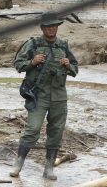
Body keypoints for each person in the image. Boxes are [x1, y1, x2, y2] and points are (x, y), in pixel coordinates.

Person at [10, 12, 78, 180]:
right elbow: (18, 64)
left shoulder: (63, 45)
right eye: (48, 27)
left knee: (56, 131)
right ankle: (18, 163)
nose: (52, 29)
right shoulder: (32, 44)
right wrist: (32, 62)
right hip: (38, 95)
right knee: (32, 129)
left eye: (54, 26)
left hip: (59, 96)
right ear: (42, 28)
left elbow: (76, 69)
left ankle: (48, 168)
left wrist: (69, 65)